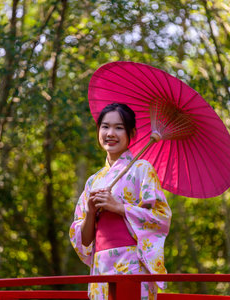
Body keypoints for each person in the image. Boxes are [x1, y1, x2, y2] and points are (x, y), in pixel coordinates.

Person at [69, 103, 172, 300]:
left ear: (131, 133)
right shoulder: (93, 180)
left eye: (119, 127)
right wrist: (90, 212)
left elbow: (161, 218)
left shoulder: (142, 169)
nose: (110, 133)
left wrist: (119, 207)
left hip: (132, 263)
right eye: (105, 126)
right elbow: (85, 240)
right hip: (101, 264)